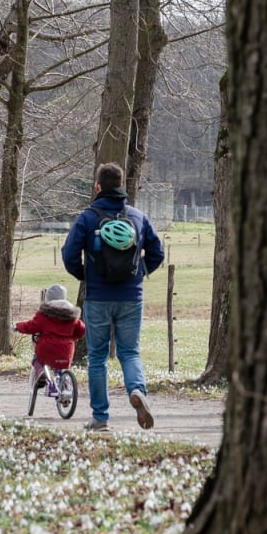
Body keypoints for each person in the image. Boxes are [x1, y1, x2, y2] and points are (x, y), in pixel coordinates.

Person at [61, 162, 165, 432]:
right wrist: (140, 271)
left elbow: (68, 255)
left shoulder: (87, 218)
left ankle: (100, 418)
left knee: (97, 357)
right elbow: (157, 253)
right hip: (132, 296)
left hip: (97, 297)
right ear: (122, 185)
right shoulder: (138, 217)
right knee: (130, 352)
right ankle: (137, 390)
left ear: (97, 186)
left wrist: (85, 275)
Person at [14, 283, 86, 392]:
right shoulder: (72, 315)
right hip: (66, 349)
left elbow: (31, 326)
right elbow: (81, 330)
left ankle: (40, 373)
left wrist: (18, 326)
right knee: (62, 368)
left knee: (37, 360)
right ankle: (66, 388)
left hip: (47, 348)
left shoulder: (44, 314)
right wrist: (72, 337)